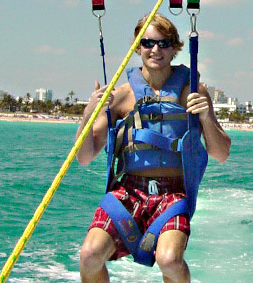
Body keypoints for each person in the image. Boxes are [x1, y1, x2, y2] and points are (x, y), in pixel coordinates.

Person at [75, 13, 231, 283]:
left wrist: (205, 116)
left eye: (163, 43)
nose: (155, 50)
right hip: (128, 193)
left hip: (172, 195)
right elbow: (84, 157)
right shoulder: (121, 96)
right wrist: (88, 113)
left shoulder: (192, 92)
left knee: (169, 260)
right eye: (147, 43)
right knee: (89, 254)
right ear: (138, 47)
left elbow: (221, 153)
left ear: (174, 48)